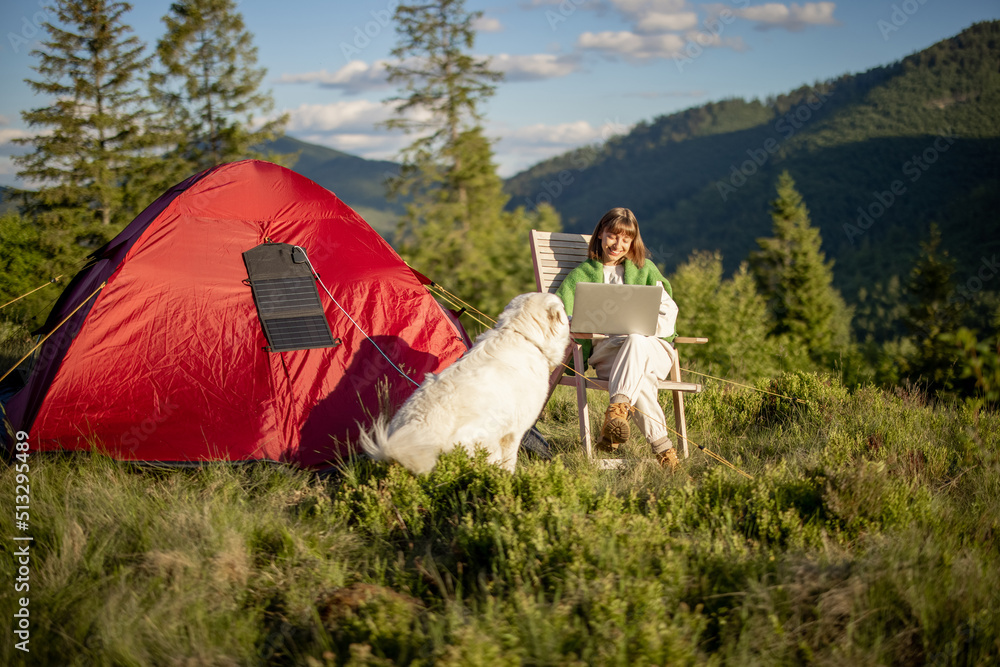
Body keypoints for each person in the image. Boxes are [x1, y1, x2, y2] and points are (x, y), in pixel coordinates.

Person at [555, 207, 682, 472]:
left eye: (626, 239)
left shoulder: (645, 270)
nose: (618, 244)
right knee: (640, 379)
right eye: (613, 235)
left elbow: (669, 312)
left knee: (636, 338)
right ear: (601, 233)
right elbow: (562, 316)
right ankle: (666, 455)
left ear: (633, 241)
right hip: (609, 353)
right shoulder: (580, 276)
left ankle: (615, 414)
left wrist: (644, 329)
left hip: (652, 348)